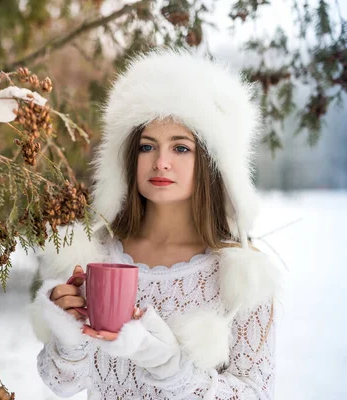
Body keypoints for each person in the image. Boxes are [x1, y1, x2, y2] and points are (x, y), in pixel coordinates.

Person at [30, 49, 282, 400]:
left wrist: (173, 369)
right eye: (147, 146)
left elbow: (257, 393)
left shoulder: (242, 276)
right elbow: (62, 384)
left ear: (211, 163)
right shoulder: (95, 256)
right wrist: (68, 334)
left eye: (181, 149)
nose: (160, 162)